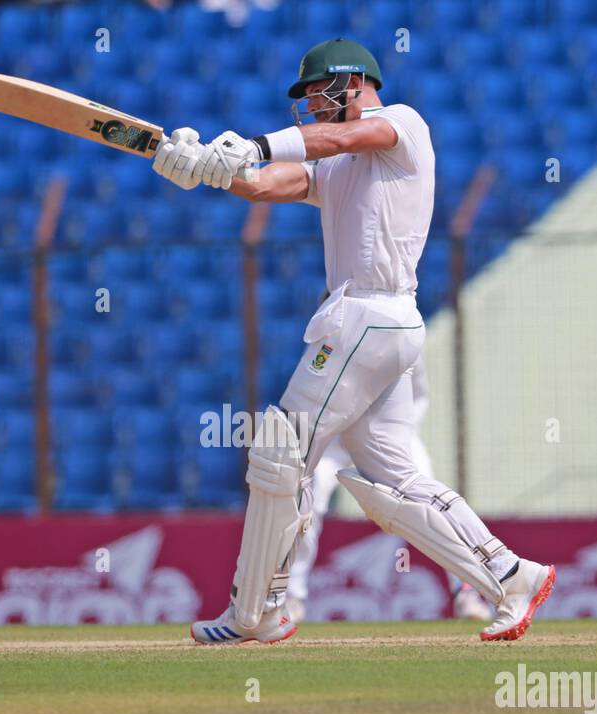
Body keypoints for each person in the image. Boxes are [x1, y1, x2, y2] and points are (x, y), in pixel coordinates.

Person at [152, 38, 554, 644]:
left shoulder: (401, 125)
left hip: (370, 316)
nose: (311, 103)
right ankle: (511, 574)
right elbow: (267, 185)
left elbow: (335, 138)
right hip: (377, 327)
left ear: (353, 81)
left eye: (318, 90)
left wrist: (253, 144)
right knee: (395, 478)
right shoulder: (336, 163)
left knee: (280, 450)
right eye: (306, 96)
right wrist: (205, 168)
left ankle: (256, 612)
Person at [285, 354, 493, 623]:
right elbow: (310, 392)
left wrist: (396, 433)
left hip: (392, 440)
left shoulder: (403, 329)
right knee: (306, 500)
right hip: (335, 440)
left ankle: (466, 592)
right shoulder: (329, 334)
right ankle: (292, 597)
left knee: (433, 501)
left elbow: (418, 396)